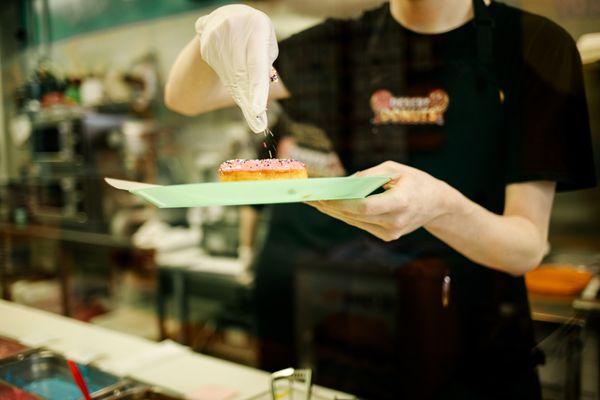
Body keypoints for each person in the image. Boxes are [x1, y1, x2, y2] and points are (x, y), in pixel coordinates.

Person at [165, 0, 597, 398]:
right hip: (360, 339)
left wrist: (440, 205)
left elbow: (525, 247)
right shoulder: (338, 46)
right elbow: (186, 98)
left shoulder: (536, 45)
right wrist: (213, 34)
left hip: (479, 347)